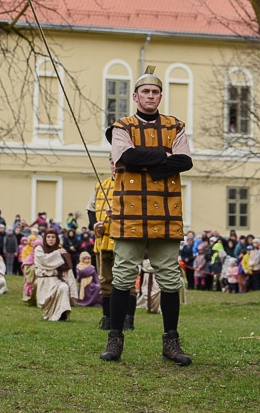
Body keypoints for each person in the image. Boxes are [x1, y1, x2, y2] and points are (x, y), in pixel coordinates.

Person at [100, 66, 193, 366]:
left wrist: (144, 163)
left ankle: (171, 342)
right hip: (130, 213)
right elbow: (125, 157)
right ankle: (115, 338)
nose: (150, 96)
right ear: (135, 96)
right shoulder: (121, 127)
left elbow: (185, 161)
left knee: (170, 278)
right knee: (123, 276)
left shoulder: (175, 126)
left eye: (155, 92)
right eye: (145, 92)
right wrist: (164, 157)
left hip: (166, 212)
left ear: (160, 96)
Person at [90, 175, 136, 329]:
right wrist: (95, 226)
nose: (114, 166)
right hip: (103, 242)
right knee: (105, 282)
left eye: (116, 163)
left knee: (127, 282)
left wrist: (118, 213)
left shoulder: (133, 182)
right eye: (112, 163)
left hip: (124, 241)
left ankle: (128, 321)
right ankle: (107, 319)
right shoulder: (100, 185)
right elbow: (91, 211)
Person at [34, 229, 76, 321]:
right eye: (48, 237)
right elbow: (43, 261)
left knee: (64, 287)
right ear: (45, 238)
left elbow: (68, 270)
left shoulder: (62, 251)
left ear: (56, 238)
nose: (51, 239)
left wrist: (73, 292)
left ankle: (62, 313)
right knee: (47, 302)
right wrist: (57, 254)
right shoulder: (39, 249)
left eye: (53, 237)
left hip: (57, 279)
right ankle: (49, 314)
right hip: (44, 280)